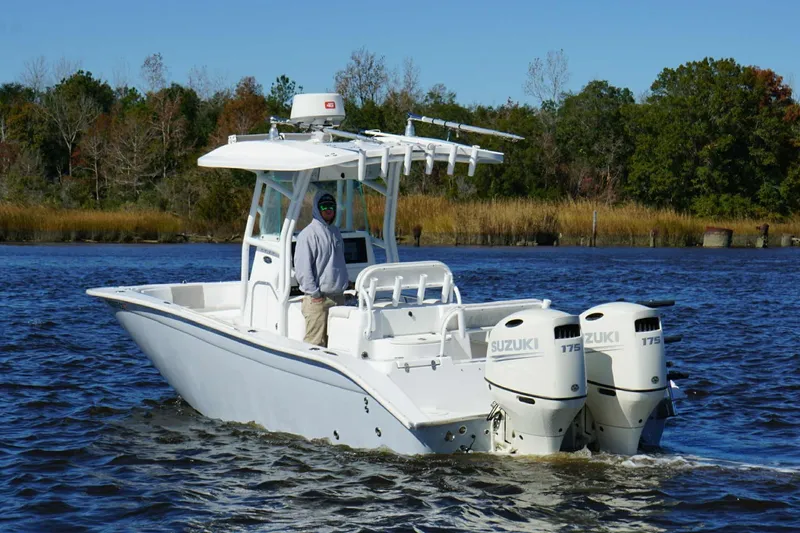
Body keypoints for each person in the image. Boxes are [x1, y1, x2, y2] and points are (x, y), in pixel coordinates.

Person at [294, 191, 349, 346]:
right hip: (318, 300)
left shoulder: (336, 232)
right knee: (314, 345)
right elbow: (303, 269)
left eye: (331, 206)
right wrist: (315, 294)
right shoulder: (307, 234)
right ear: (317, 209)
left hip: (338, 297)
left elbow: (337, 262)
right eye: (324, 206)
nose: (328, 209)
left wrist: (345, 283)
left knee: (338, 344)